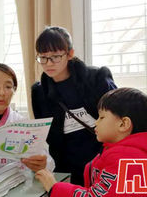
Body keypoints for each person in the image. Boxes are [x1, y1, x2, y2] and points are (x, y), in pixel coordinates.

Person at [35, 88, 147, 197]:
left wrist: (55, 188)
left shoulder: (128, 159)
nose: (96, 122)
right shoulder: (143, 151)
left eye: (102, 117)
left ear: (123, 124)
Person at [31, 26, 116, 185]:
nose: (49, 63)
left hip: (103, 161)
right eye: (43, 57)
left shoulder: (96, 78)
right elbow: (46, 132)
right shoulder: (39, 91)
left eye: (55, 56)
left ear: (70, 53)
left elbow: (119, 115)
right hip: (65, 166)